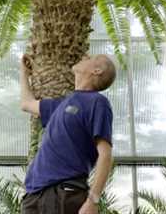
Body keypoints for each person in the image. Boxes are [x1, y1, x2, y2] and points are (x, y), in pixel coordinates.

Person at [20, 53, 116, 214]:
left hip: (64, 193)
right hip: (33, 196)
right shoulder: (61, 104)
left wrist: (93, 200)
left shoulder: (97, 102)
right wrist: (23, 73)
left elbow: (105, 154)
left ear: (97, 70)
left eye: (90, 58)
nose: (84, 56)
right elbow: (26, 104)